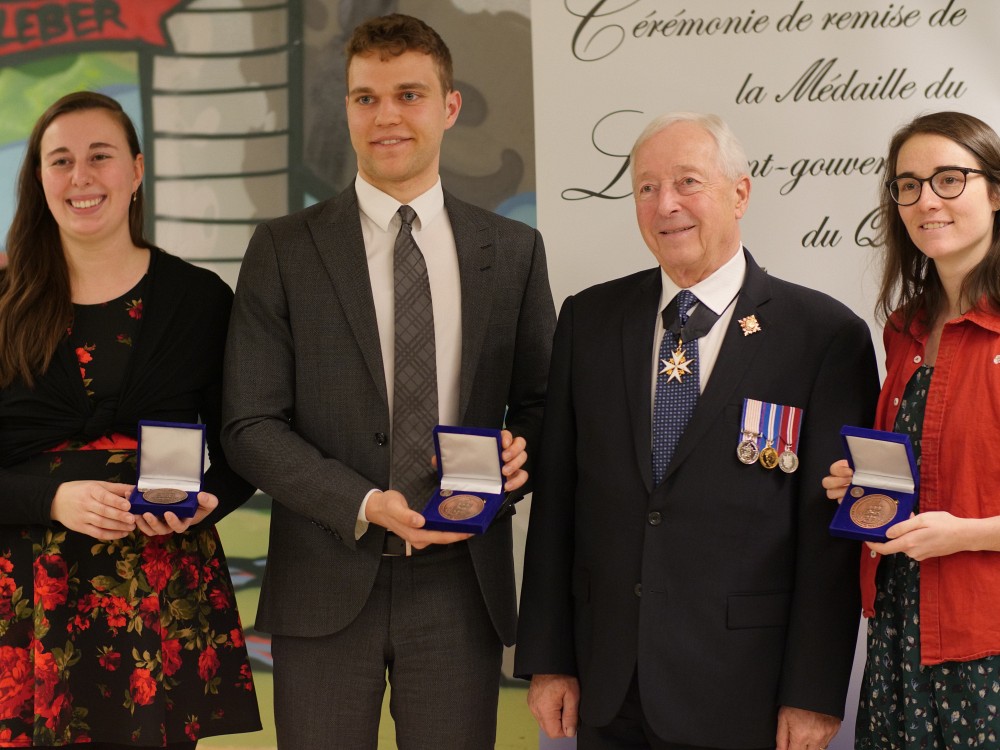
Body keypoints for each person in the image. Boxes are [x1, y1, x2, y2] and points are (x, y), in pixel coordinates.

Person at [221, 13, 555, 750]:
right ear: (346, 108)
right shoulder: (282, 249)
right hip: (323, 582)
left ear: (449, 105)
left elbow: (541, 407)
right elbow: (249, 426)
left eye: (409, 94)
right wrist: (364, 503)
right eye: (365, 98)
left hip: (460, 588)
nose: (386, 117)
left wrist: (519, 457)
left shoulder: (513, 251)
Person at [515, 112, 881, 750]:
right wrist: (549, 658)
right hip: (609, 683)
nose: (667, 204)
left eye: (688, 181)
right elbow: (557, 504)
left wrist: (813, 692)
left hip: (745, 689)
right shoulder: (589, 319)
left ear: (740, 193)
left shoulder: (824, 337)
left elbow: (830, 536)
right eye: (647, 187)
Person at [0, 91, 261, 748]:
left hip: (159, 592)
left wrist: (204, 504)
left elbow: (244, 446)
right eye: (61, 160)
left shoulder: (200, 300)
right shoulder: (2, 304)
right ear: (38, 178)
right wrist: (52, 498)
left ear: (137, 170)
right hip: (27, 596)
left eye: (100, 156)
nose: (81, 177)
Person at [822, 111, 1000, 750]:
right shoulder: (904, 329)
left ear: (995, 191)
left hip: (986, 636)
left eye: (950, 179)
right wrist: (864, 484)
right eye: (908, 185)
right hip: (901, 627)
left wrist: (966, 534)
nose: (927, 200)